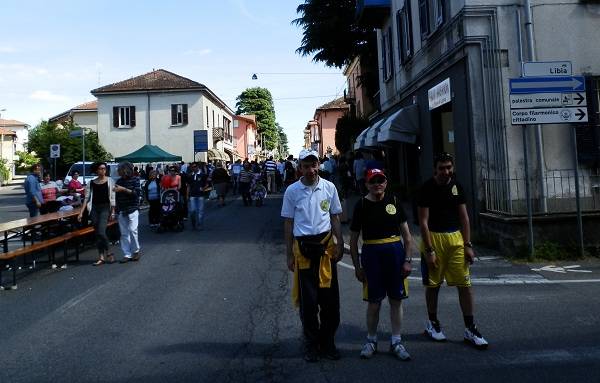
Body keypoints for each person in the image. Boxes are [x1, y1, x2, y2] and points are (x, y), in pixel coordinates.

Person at [418, 152, 488, 349]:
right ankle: (432, 323)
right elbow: (423, 222)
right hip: (434, 238)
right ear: (435, 169)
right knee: (433, 285)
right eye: (442, 168)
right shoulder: (426, 188)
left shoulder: (457, 186)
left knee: (464, 284)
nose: (446, 171)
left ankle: (470, 328)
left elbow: (464, 218)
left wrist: (468, 245)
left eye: (449, 167)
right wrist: (429, 250)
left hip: (455, 238)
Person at [281, 149, 344, 362]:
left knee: (330, 302)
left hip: (326, 249)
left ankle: (328, 342)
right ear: (300, 167)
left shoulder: (329, 187)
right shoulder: (292, 191)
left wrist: (340, 242)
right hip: (304, 252)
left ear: (319, 165)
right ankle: (311, 344)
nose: (310, 170)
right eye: (306, 166)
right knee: (308, 304)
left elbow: (335, 216)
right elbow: (288, 223)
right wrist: (289, 254)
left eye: (313, 165)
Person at [349, 169, 413, 360]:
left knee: (396, 300)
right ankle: (371, 340)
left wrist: (408, 261)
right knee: (374, 303)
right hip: (372, 256)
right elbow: (353, 241)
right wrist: (357, 267)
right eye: (373, 181)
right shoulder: (361, 205)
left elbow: (408, 237)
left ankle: (396, 341)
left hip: (395, 256)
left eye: (381, 180)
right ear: (367, 184)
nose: (377, 184)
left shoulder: (394, 202)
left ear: (386, 182)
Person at [78, 162, 116, 266]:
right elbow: (86, 198)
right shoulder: (91, 183)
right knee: (97, 233)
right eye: (100, 168)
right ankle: (101, 257)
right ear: (96, 170)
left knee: (101, 231)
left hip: (105, 208)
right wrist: (81, 212)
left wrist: (113, 211)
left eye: (104, 168)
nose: (103, 170)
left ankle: (109, 252)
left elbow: (113, 197)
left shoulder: (110, 181)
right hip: (94, 208)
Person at [113, 162, 142, 263]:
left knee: (133, 230)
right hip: (122, 209)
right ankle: (127, 254)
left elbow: (136, 194)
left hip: (132, 208)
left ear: (125, 170)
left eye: (119, 169)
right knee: (124, 233)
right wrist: (115, 209)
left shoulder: (135, 180)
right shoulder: (119, 181)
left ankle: (136, 251)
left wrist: (123, 189)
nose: (118, 171)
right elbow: (116, 196)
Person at [187, 162, 209, 230]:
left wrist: (203, 188)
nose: (194, 168)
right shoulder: (190, 175)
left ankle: (199, 223)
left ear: (198, 167)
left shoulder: (203, 175)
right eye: (192, 167)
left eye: (195, 166)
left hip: (200, 195)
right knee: (192, 211)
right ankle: (194, 223)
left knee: (200, 210)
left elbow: (207, 184)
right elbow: (188, 186)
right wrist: (187, 195)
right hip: (192, 195)